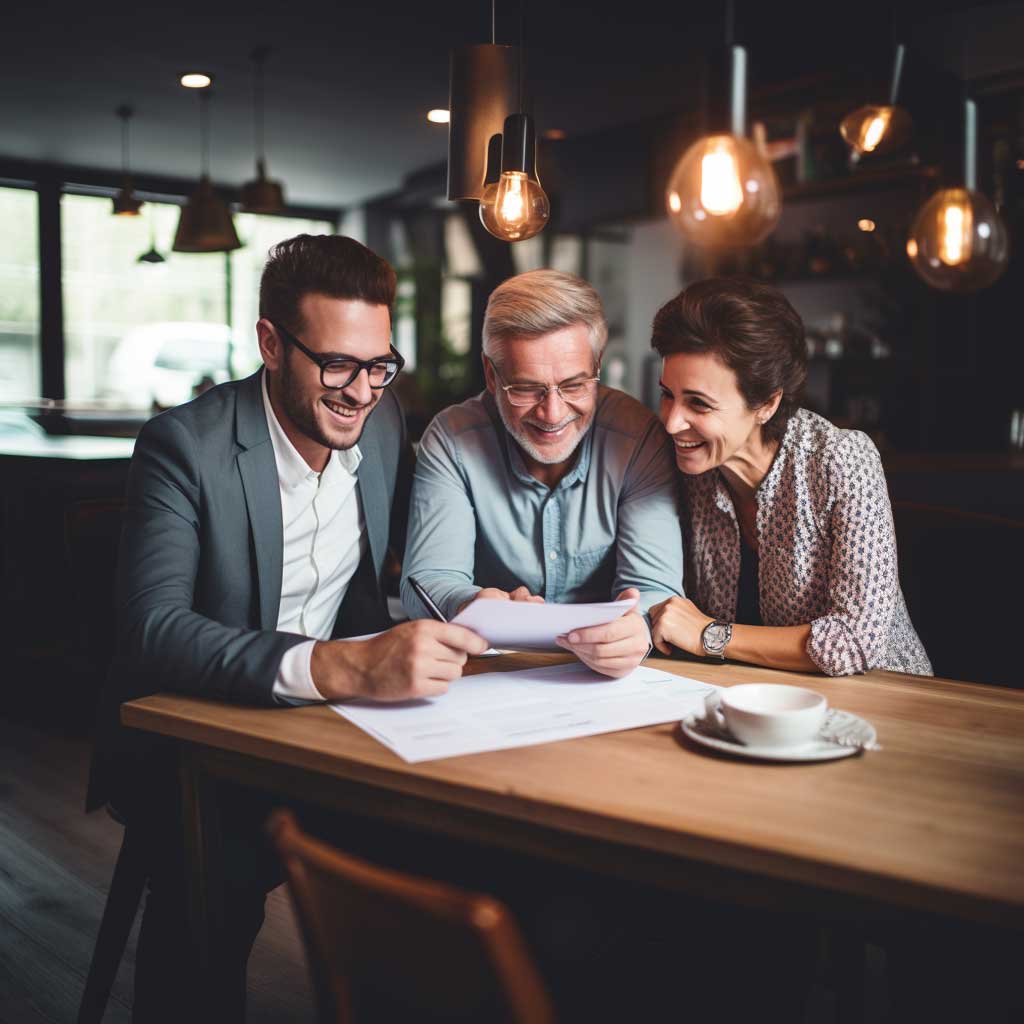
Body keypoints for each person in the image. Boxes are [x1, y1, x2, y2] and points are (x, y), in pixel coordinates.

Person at [87, 234, 487, 1023]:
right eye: (337, 364)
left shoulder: (380, 424)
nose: (361, 392)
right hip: (196, 746)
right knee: (213, 899)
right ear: (271, 343)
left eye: (379, 366)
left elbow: (382, 588)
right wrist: (336, 668)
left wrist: (476, 608)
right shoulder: (183, 447)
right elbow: (153, 631)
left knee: (452, 857)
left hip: (328, 740)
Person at [400, 269, 684, 678]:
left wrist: (637, 627)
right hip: (489, 678)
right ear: (491, 375)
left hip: (608, 684)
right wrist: (472, 604)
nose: (552, 413)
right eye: (526, 388)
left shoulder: (639, 438)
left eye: (573, 385)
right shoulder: (452, 440)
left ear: (597, 365)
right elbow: (428, 580)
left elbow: (655, 590)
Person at [647, 276, 932, 676]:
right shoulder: (686, 467)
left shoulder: (841, 459)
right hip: (758, 698)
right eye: (667, 394)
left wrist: (710, 634)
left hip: (889, 700)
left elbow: (852, 643)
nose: (673, 422)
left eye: (699, 403)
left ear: (766, 403)